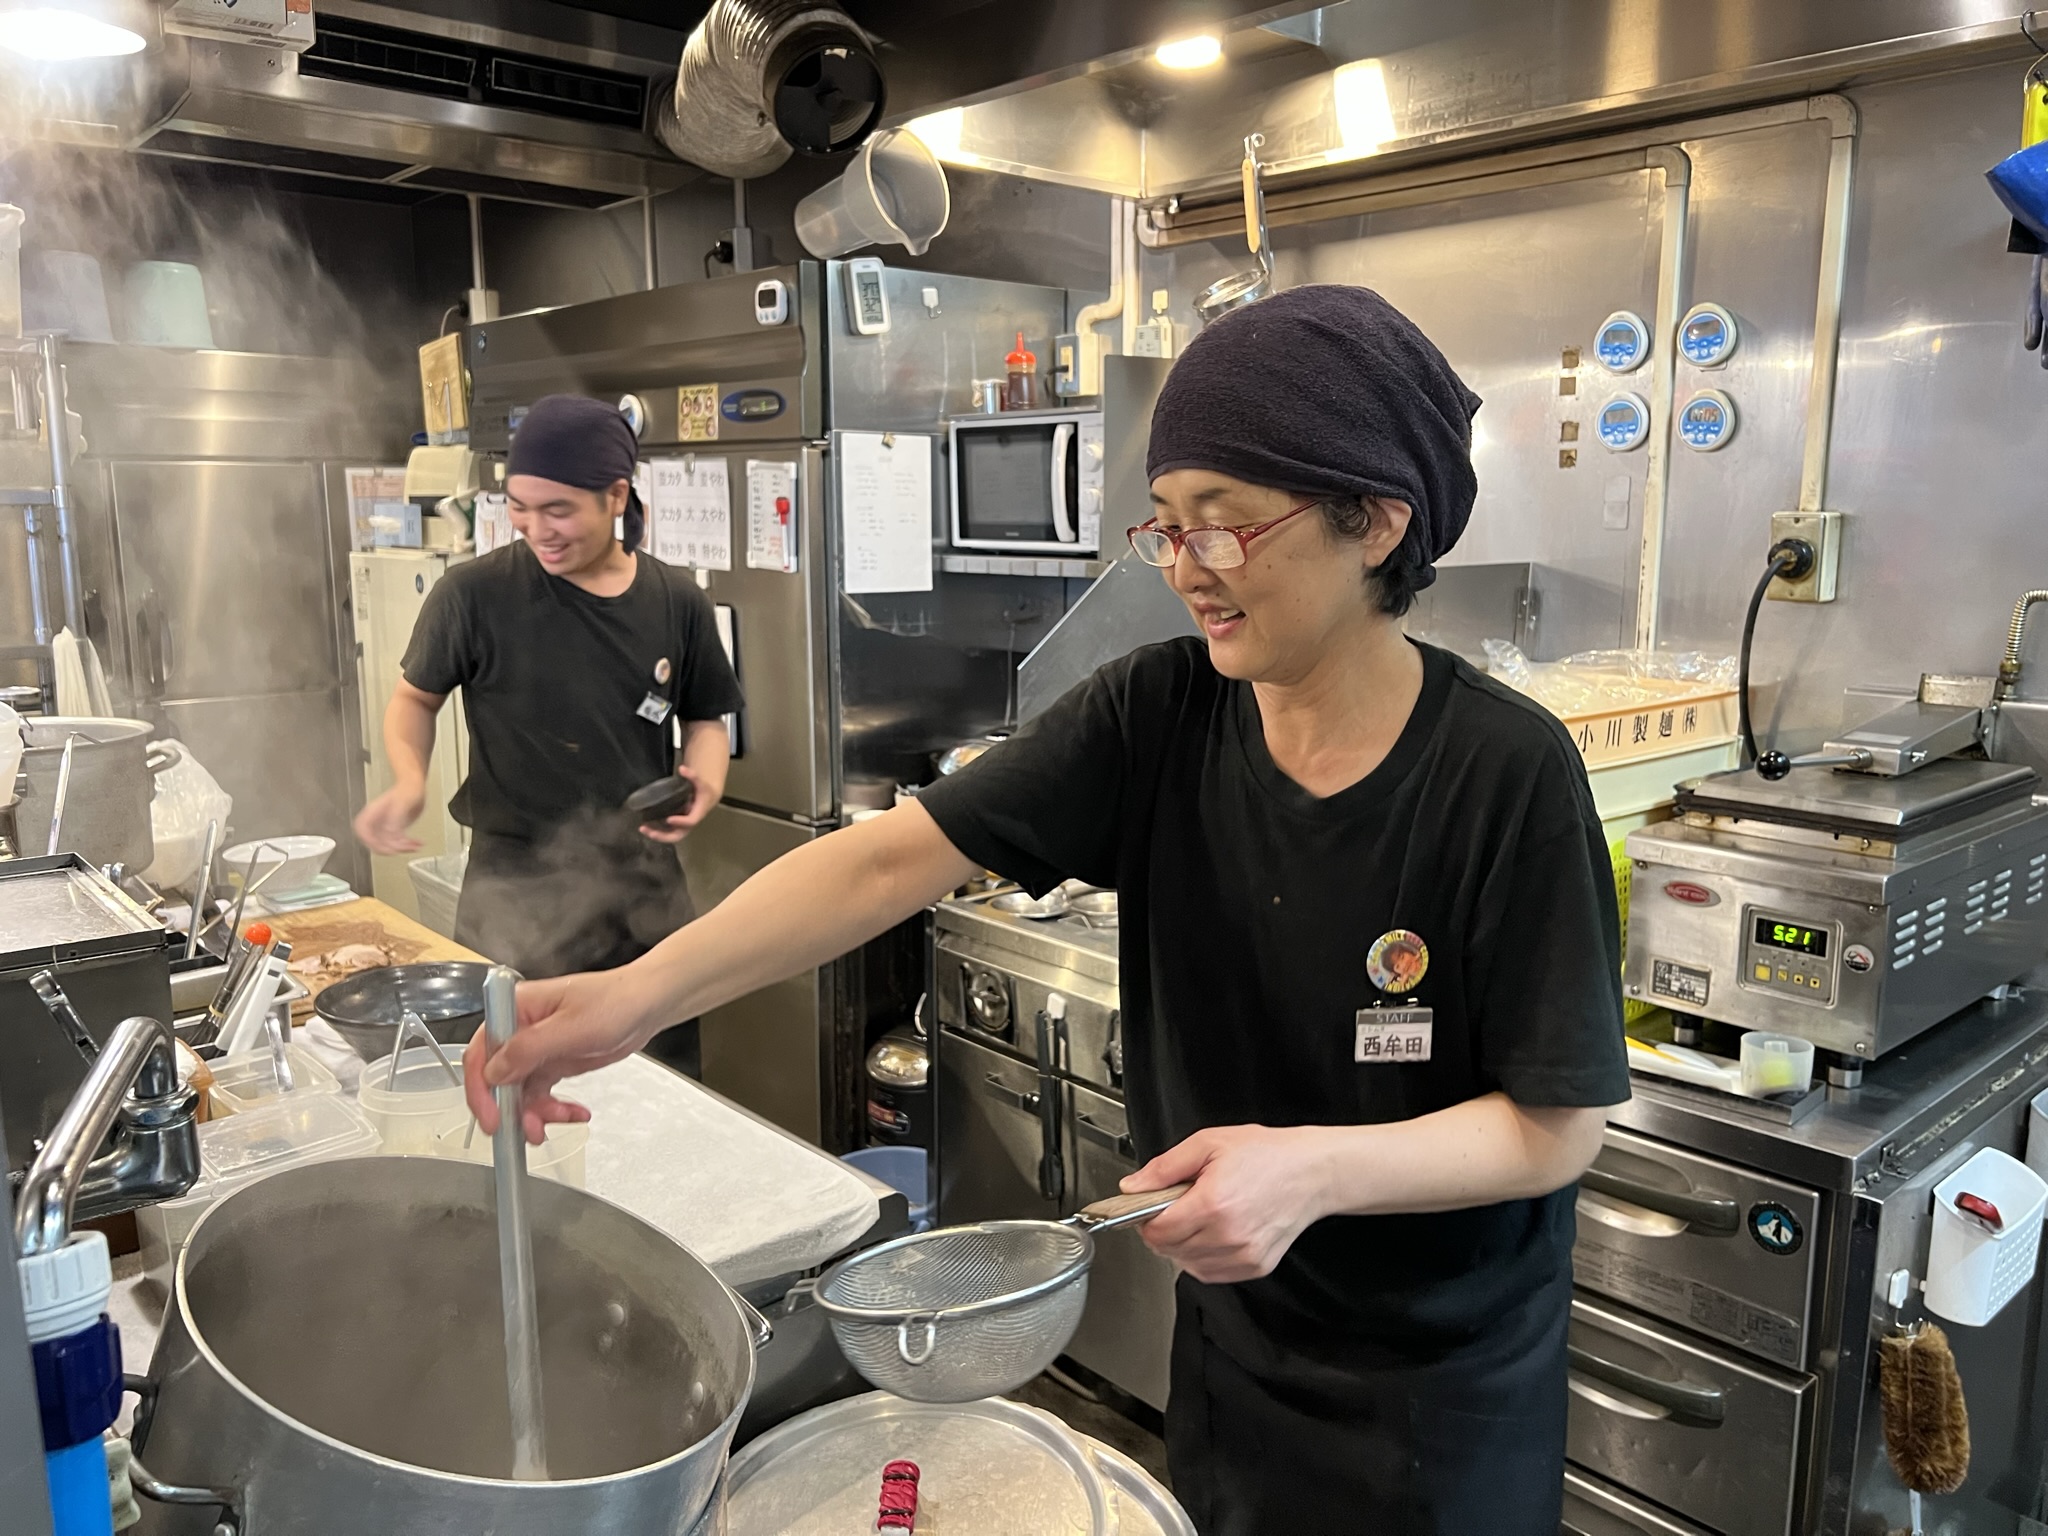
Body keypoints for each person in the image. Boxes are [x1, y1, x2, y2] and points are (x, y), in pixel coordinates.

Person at [464, 289, 1629, 1534]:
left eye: (1224, 528)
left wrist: (1312, 1171)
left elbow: (1557, 1129)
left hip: (1444, 1398)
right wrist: (630, 1000)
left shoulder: (1503, 773)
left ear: (1376, 522)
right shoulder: (1157, 715)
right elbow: (877, 865)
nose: (1187, 570)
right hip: (1234, 1352)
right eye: (1166, 527)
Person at [355, 392, 743, 1076]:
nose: (537, 529)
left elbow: (707, 718)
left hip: (644, 900)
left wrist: (704, 780)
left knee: (668, 1101)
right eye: (520, 507)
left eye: (558, 509)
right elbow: (413, 700)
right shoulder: (474, 596)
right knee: (515, 1091)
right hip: (514, 895)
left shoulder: (676, 599)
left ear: (616, 495)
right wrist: (410, 779)